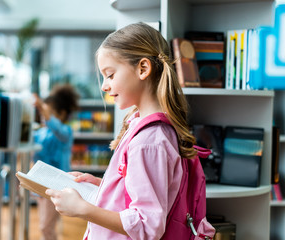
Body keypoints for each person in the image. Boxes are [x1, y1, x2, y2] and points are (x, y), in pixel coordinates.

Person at [44, 22, 198, 239]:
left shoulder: (149, 141)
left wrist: (83, 209)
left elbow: (147, 226)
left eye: (110, 74)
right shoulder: (143, 127)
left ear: (143, 68)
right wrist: (102, 186)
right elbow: (136, 193)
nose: (104, 86)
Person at [32, 84, 79, 240]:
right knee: (46, 224)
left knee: (45, 226)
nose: (45, 117)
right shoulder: (40, 132)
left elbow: (57, 129)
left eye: (49, 113)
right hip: (41, 184)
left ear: (61, 114)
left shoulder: (66, 131)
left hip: (56, 185)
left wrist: (42, 108)